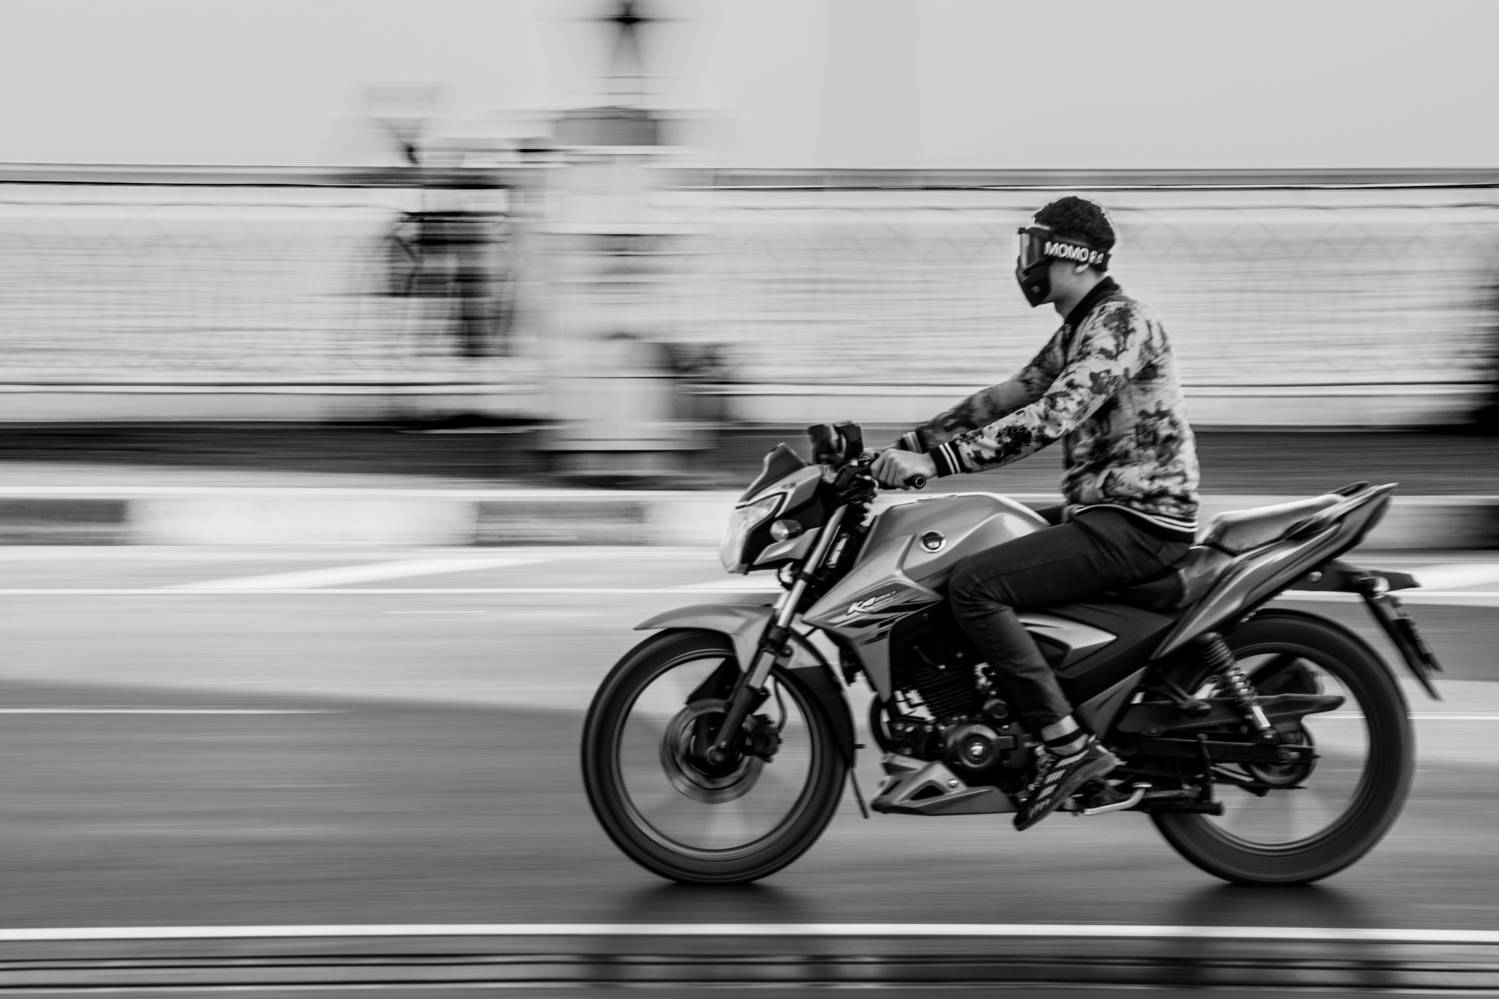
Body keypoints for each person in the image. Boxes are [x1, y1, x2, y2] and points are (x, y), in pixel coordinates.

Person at [871, 195, 1200, 831]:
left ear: (1073, 257)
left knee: (976, 585)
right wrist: (902, 448)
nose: (1027, 263)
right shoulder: (1082, 326)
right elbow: (1009, 396)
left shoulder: (1121, 324)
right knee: (966, 543)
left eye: (1036, 249)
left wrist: (938, 462)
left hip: (1142, 521)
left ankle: (1067, 748)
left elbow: (1052, 414)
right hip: (1106, 511)